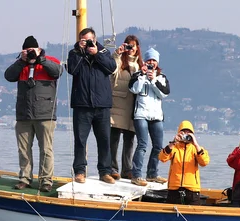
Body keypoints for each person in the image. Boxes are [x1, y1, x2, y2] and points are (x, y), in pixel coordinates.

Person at [4, 35, 62, 192]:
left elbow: (58, 72)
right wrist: (21, 61)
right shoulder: (20, 65)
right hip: (24, 114)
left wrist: (40, 58)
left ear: (38, 49)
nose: (30, 53)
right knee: (23, 149)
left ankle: (46, 180)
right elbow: (8, 76)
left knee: (46, 149)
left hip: (45, 114)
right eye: (27, 50)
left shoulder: (49, 61)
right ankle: (25, 178)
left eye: (32, 50)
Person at [67, 27, 117, 184]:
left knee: (104, 140)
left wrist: (96, 53)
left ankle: (105, 172)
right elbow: (72, 70)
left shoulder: (103, 52)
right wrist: (81, 52)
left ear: (95, 40)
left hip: (102, 105)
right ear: (80, 40)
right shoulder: (74, 53)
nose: (88, 42)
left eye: (90, 40)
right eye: (84, 40)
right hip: (82, 105)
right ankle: (80, 171)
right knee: (80, 140)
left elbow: (112, 67)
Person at [129, 47, 170, 186]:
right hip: (141, 114)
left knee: (158, 146)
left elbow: (164, 93)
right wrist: (142, 75)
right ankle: (136, 175)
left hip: (156, 116)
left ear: (157, 62)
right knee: (142, 145)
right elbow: (133, 89)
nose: (151, 62)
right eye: (149, 60)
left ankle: (152, 173)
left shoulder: (162, 77)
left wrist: (153, 81)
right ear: (145, 61)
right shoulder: (137, 75)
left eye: (154, 60)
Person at [109, 35, 142, 180]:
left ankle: (127, 169)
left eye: (133, 46)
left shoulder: (141, 65)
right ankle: (112, 168)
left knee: (129, 140)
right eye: (127, 46)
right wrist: (117, 54)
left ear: (137, 48)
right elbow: (111, 71)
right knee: (114, 139)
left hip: (134, 107)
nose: (130, 49)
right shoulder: (119, 61)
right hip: (118, 104)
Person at [158, 120, 209, 205]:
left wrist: (196, 144)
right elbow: (162, 158)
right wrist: (173, 143)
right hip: (174, 189)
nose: (185, 136)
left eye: (188, 133)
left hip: (192, 190)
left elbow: (204, 162)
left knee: (193, 217)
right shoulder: (174, 148)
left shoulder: (196, 149)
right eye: (183, 133)